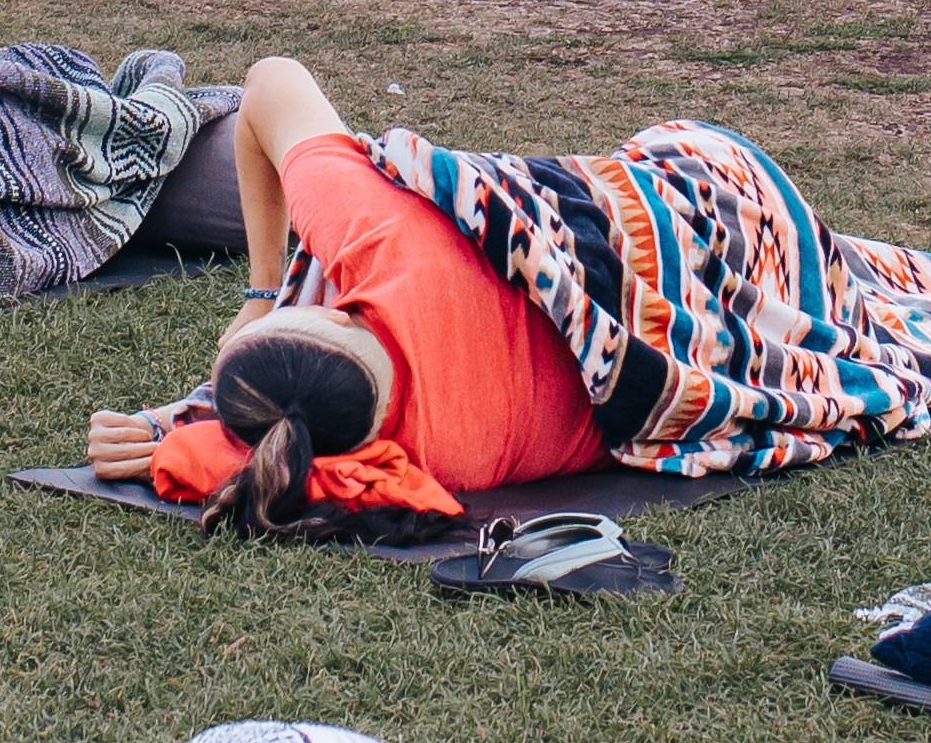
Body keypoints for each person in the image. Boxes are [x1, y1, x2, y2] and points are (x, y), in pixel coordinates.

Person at [81, 57, 615, 537]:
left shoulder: (441, 459)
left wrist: (164, 437)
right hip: (653, 194)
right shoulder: (372, 231)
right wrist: (263, 297)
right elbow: (271, 79)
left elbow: (293, 456)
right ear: (333, 320)